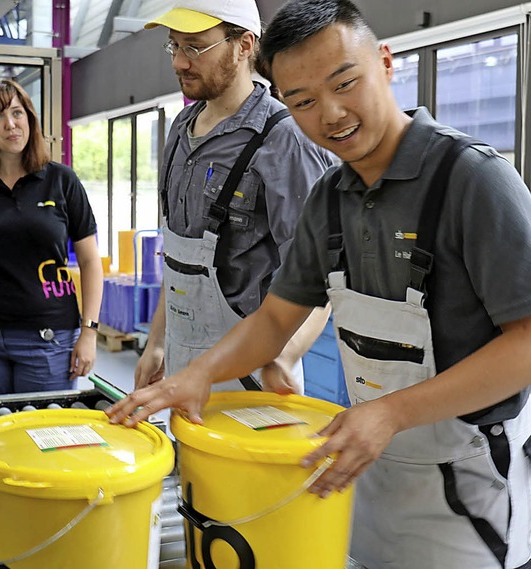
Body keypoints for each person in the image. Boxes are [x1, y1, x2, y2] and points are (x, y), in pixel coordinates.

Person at [108, 1, 531, 567]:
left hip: (469, 483)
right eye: (301, 101)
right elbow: (278, 318)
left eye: (345, 83)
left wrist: (390, 412)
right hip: (364, 466)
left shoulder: (472, 181)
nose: (329, 114)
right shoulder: (331, 198)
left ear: (386, 62)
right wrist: (199, 374)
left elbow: (527, 342)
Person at [136, 0, 335, 394]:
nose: (179, 62)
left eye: (194, 47)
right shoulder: (181, 129)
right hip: (181, 362)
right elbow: (181, 256)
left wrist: (286, 355)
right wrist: (157, 341)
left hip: (252, 375)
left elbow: (323, 275)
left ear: (244, 45)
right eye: (174, 46)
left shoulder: (284, 141)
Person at [0, 78, 103, 397]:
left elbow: (91, 261)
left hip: (50, 337)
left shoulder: (61, 180)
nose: (10, 124)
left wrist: (90, 333)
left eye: (17, 113)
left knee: (42, 438)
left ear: (30, 118)